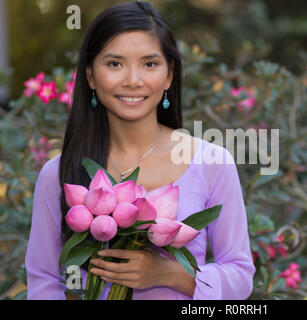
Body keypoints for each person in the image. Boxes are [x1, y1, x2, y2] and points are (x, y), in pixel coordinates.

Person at [25, 1, 255, 300]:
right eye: (114, 64)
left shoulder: (212, 162)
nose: (133, 80)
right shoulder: (58, 173)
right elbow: (44, 281)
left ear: (169, 74)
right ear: (91, 76)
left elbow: (240, 275)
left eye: (149, 64)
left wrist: (168, 274)